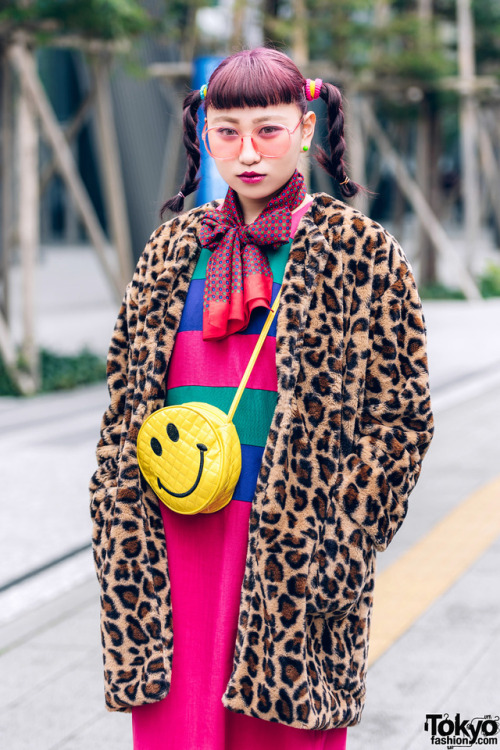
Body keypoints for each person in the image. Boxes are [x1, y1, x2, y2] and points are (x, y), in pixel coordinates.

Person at [89, 47, 434, 750]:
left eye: (268, 130)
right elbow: (124, 404)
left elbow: (401, 419)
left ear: (306, 129)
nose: (246, 153)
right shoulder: (170, 251)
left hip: (292, 547)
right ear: (203, 132)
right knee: (176, 729)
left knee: (280, 734)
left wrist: (341, 543)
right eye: (226, 131)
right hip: (170, 536)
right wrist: (115, 518)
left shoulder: (359, 253)